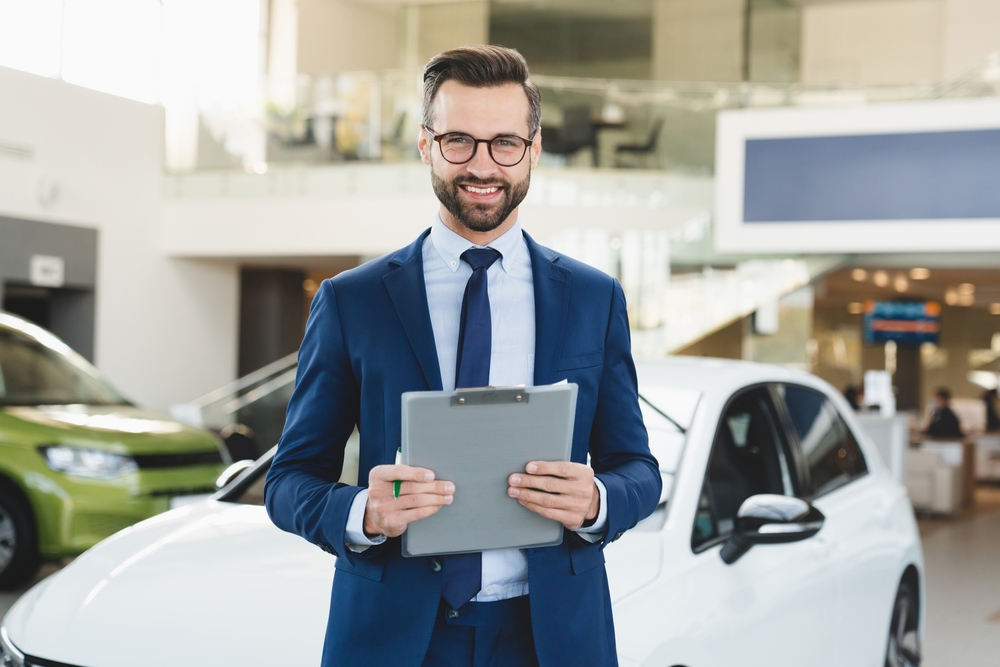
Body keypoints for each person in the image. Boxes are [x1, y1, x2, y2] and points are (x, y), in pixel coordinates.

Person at [264, 45, 661, 667]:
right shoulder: (353, 301)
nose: (483, 165)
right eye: (459, 141)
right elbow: (288, 481)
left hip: (551, 637)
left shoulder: (593, 298)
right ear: (426, 145)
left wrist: (596, 502)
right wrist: (360, 512)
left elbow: (637, 467)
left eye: (505, 142)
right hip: (395, 638)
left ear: (533, 149)